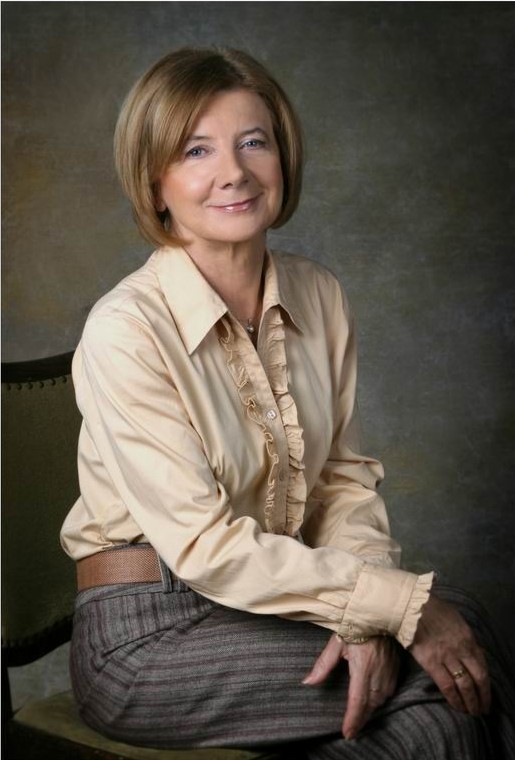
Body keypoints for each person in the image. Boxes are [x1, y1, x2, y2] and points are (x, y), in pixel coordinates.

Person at [60, 48, 514, 759]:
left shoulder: (318, 295)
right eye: (196, 150)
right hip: (149, 636)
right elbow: (204, 547)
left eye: (253, 142)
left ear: (283, 157)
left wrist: (366, 617)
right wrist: (394, 605)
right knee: (444, 663)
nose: (234, 172)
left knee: (448, 692)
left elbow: (341, 483)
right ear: (155, 183)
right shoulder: (126, 329)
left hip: (277, 606)